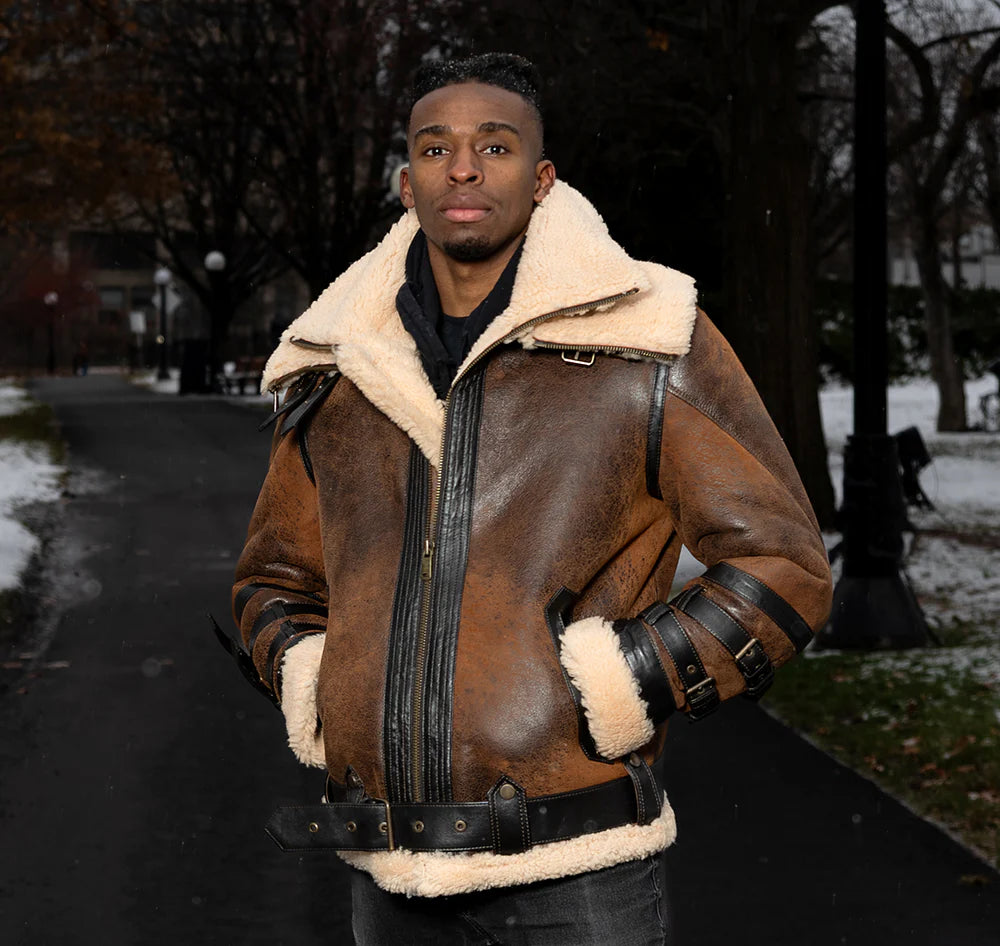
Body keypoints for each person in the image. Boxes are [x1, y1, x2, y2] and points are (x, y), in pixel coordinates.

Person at [228, 52, 832, 945]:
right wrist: (317, 674)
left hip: (577, 868)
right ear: (406, 183)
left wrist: (620, 682)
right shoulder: (338, 363)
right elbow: (271, 579)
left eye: (495, 146)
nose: (463, 169)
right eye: (435, 149)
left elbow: (784, 561)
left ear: (543, 179)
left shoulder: (647, 335)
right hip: (384, 870)